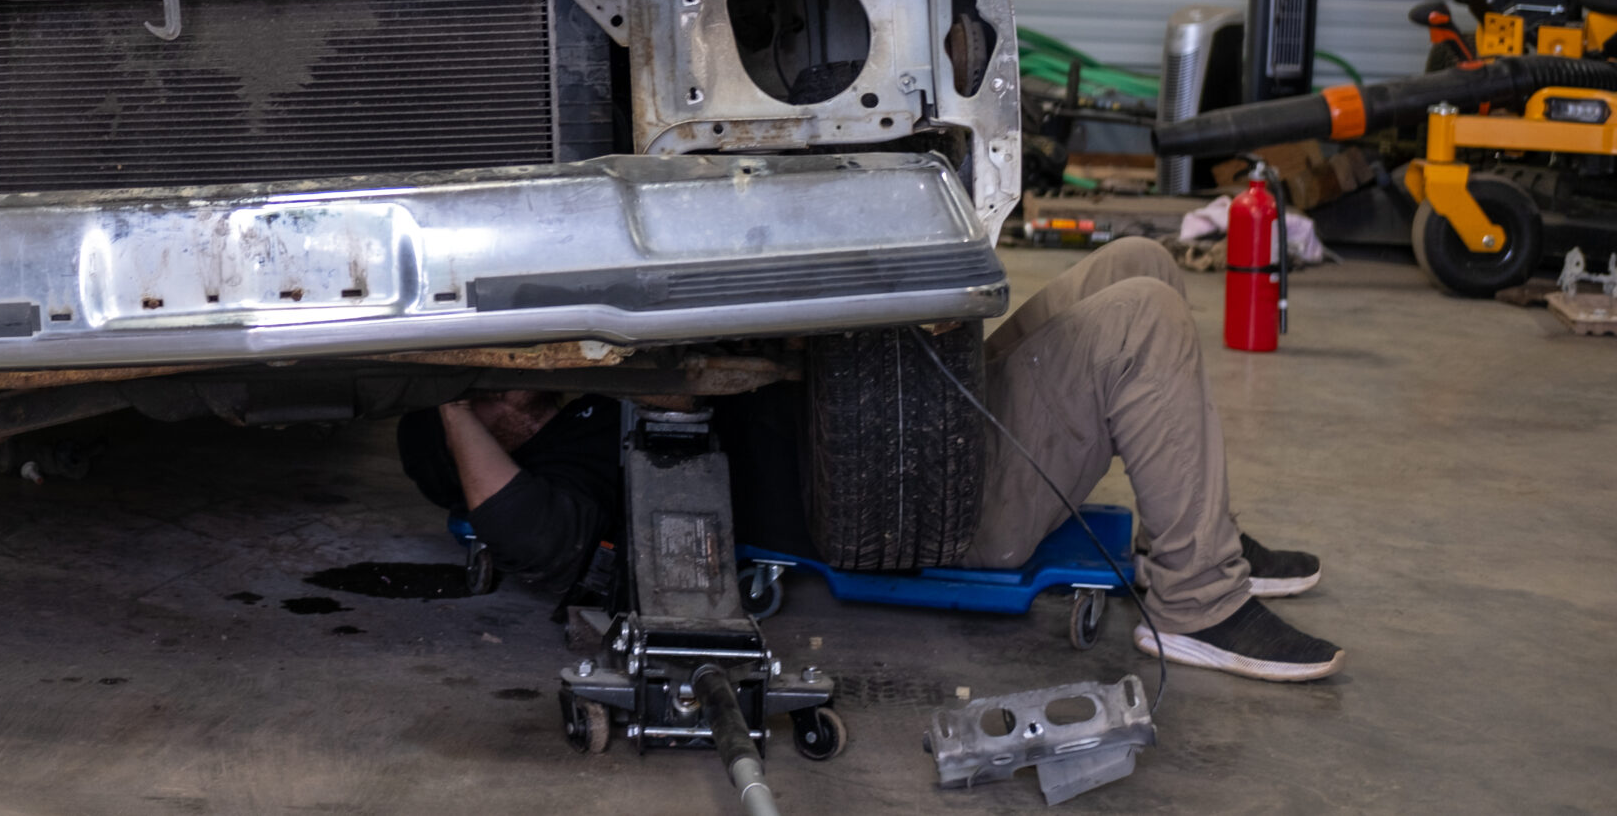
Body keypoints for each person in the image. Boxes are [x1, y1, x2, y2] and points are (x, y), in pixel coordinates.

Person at [398, 238, 1345, 683]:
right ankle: (1199, 605)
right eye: (485, 403)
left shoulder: (582, 386)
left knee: (1136, 262)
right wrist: (445, 402)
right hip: (916, 499)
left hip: (899, 425)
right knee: (1141, 325)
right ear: (475, 441)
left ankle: (1193, 531)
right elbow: (527, 533)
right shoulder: (577, 468)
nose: (507, 386)